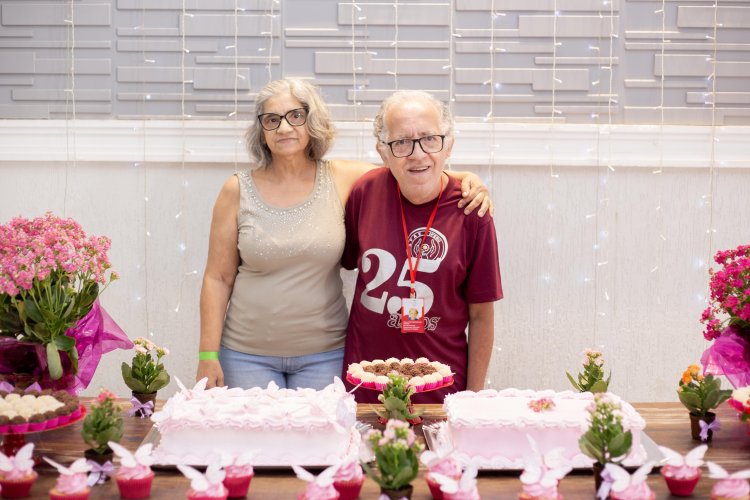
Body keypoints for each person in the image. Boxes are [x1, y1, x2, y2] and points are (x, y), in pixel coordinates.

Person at [196, 79, 492, 390]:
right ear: (262, 131)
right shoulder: (236, 190)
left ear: (313, 121)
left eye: (296, 116)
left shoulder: (342, 177)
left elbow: (408, 165)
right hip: (245, 355)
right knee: (252, 438)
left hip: (324, 356)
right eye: (272, 119)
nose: (285, 128)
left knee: (321, 439)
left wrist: (466, 178)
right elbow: (217, 278)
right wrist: (207, 353)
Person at [342, 90, 503, 403]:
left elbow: (482, 315)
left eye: (429, 139)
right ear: (382, 151)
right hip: (364, 385)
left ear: (449, 145)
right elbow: (343, 259)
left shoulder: (472, 211)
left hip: (441, 390)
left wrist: (472, 397)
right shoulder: (364, 192)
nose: (417, 154)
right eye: (401, 142)